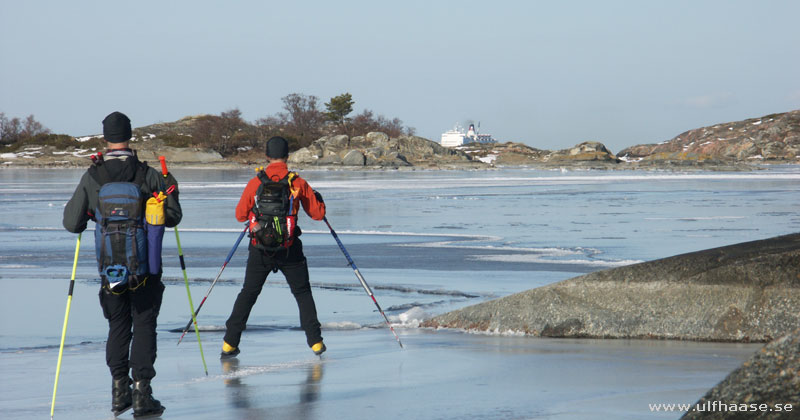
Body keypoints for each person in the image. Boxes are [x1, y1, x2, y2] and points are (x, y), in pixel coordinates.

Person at [63, 111, 181, 418]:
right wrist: (171, 190)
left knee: (117, 326)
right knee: (144, 325)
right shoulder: (148, 174)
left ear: (105, 139)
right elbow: (173, 217)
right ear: (131, 136)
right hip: (145, 268)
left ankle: (119, 391)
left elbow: (70, 223)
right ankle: (143, 394)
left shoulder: (93, 176)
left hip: (110, 268)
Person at [221, 136, 326, 359]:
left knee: (249, 293)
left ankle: (230, 343)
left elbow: (240, 214)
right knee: (302, 293)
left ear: (267, 156)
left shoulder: (256, 182)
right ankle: (315, 341)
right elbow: (318, 215)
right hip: (289, 248)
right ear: (288, 156)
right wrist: (318, 198)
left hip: (260, 247)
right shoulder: (297, 182)